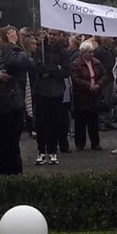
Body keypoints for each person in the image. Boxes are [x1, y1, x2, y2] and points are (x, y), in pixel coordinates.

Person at [0, 27, 27, 175]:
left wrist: (12, 44)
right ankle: (5, 173)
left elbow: (13, 64)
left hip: (12, 103)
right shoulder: (0, 52)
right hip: (3, 103)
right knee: (2, 144)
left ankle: (13, 174)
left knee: (10, 143)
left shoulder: (19, 53)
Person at [33, 29, 70, 165]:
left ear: (60, 36)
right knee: (41, 122)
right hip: (42, 91)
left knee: (56, 123)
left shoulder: (63, 52)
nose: (51, 37)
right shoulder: (39, 50)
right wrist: (56, 68)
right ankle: (41, 150)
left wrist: (50, 70)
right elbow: (38, 68)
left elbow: (66, 71)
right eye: (50, 34)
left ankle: (53, 150)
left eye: (54, 34)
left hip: (57, 92)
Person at [70, 40, 111, 151]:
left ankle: (95, 143)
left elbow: (104, 75)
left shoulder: (97, 62)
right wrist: (88, 85)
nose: (92, 54)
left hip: (94, 96)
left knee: (94, 121)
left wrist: (99, 84)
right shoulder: (76, 64)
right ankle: (80, 144)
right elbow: (75, 78)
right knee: (80, 122)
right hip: (81, 96)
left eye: (92, 52)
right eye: (89, 52)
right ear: (83, 53)